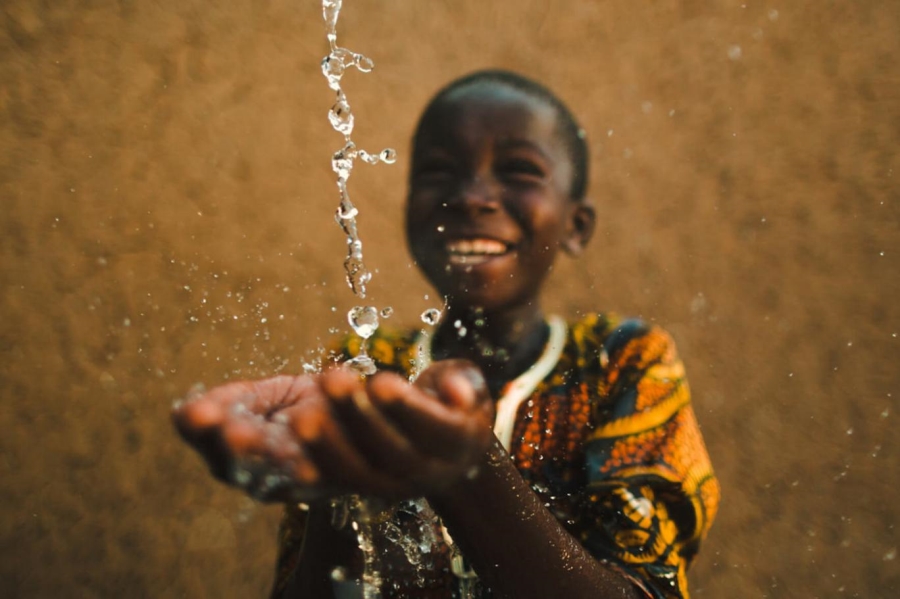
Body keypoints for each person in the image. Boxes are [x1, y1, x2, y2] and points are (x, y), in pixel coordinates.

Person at [173, 69, 719, 599]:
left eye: (520, 171)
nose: (471, 196)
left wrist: (468, 466)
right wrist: (342, 489)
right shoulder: (365, 366)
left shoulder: (619, 364)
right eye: (438, 171)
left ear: (576, 226)